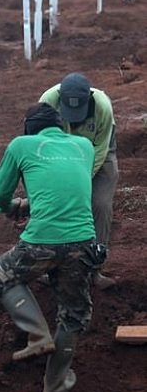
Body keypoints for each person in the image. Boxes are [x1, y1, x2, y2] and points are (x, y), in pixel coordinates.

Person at [0, 103, 105, 392]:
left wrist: (9, 207)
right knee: (74, 314)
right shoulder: (84, 146)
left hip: (42, 241)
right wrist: (33, 203)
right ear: (61, 127)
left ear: (28, 128)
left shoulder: (21, 145)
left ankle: (38, 335)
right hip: (84, 242)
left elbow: (1, 193)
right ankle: (54, 385)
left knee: (2, 275)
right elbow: (65, 183)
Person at [39, 72, 118, 289]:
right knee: (54, 204)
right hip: (58, 155)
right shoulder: (48, 102)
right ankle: (51, 267)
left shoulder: (102, 106)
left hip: (97, 155)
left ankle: (94, 270)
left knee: (100, 205)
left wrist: (80, 181)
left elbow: (101, 150)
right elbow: (41, 145)